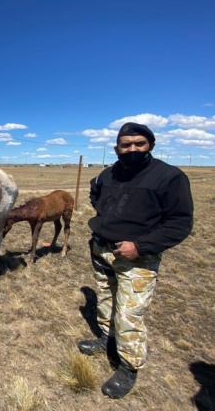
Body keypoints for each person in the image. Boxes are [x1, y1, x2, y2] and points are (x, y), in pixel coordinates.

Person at [78, 122, 194, 398]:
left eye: (139, 144)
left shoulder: (168, 177)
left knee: (130, 313)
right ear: (117, 148)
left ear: (150, 145)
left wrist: (140, 246)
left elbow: (180, 223)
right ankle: (107, 338)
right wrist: (105, 217)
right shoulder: (109, 174)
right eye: (126, 145)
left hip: (136, 258)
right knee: (106, 298)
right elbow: (95, 192)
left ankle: (128, 366)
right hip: (102, 249)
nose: (132, 149)